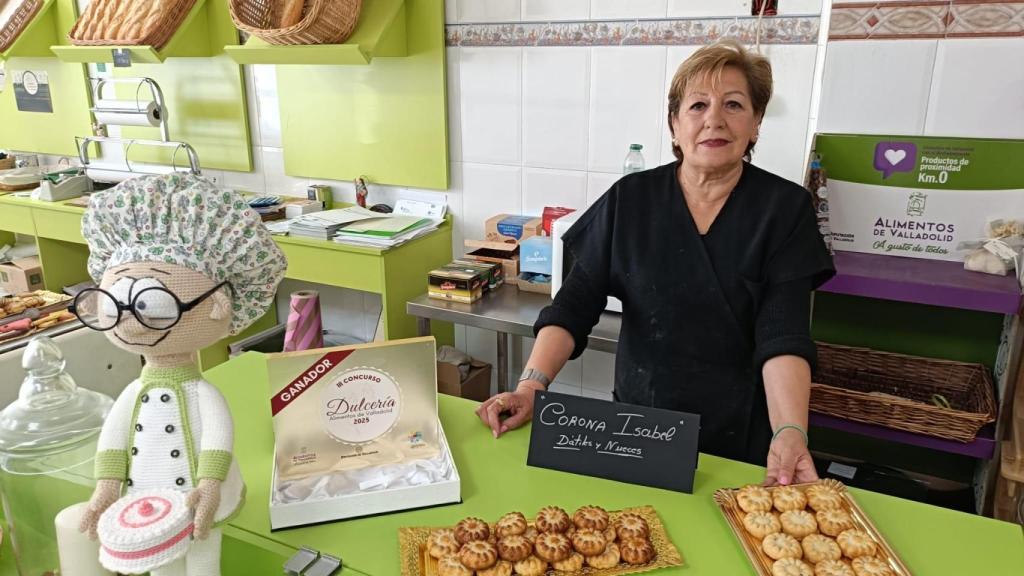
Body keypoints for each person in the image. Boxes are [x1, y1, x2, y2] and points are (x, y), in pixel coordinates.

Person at [475, 40, 835, 486]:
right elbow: (573, 307)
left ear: (757, 123)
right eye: (698, 105)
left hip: (739, 436)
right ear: (674, 123)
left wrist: (790, 431)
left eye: (734, 105)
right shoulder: (631, 200)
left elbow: (784, 335)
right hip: (640, 430)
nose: (714, 120)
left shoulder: (784, 210)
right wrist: (531, 386)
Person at [72, 174, 286, 575]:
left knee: (203, 557)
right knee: (158, 559)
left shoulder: (202, 393)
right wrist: (106, 486)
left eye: (153, 304)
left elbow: (218, 439)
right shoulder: (134, 392)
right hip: (145, 498)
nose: (131, 321)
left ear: (221, 306)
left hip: (200, 492)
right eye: (118, 303)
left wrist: (209, 484)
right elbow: (114, 440)